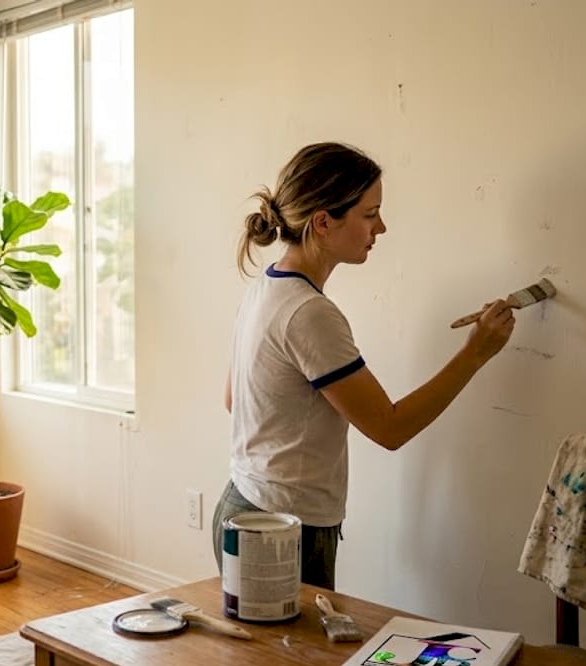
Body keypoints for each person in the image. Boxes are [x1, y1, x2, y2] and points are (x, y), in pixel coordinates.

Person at [214, 142, 516, 590]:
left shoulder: (267, 287)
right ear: (323, 222)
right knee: (297, 662)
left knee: (265, 661)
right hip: (280, 530)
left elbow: (232, 399)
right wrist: (476, 353)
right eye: (370, 214)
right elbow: (389, 429)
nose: (382, 227)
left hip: (241, 506)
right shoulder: (309, 313)